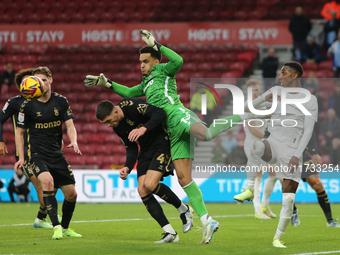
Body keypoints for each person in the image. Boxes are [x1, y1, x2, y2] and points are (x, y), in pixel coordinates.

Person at [84, 30, 263, 244]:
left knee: (206, 134)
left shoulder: (163, 70)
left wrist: (157, 44)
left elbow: (178, 60)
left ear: (156, 60)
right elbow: (129, 93)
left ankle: (244, 113)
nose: (141, 65)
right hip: (170, 132)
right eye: (140, 61)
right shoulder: (146, 83)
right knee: (183, 179)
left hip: (177, 115)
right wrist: (108, 84)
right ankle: (207, 221)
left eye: (146, 61)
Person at [234, 62, 318, 248]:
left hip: (293, 150)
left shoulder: (310, 100)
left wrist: (297, 155)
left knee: (288, 199)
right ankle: (249, 189)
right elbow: (251, 107)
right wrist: (262, 99)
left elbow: (308, 131)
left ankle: (278, 237)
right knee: (257, 146)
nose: (280, 76)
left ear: (294, 76)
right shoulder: (276, 91)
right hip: (273, 142)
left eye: (284, 73)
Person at [96, 98, 194, 243]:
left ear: (116, 111)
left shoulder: (132, 106)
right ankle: (170, 233)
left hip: (162, 144)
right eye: (106, 123)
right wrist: (127, 167)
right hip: (146, 150)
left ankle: (183, 209)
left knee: (150, 184)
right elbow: (131, 147)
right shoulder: (118, 126)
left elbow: (160, 113)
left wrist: (144, 128)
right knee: (142, 190)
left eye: (109, 121)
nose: (109, 125)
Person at [14, 66, 82, 240]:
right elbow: (19, 133)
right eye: (37, 80)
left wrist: (73, 140)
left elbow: (69, 125)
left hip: (56, 154)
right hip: (35, 154)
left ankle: (65, 227)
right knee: (47, 181)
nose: (41, 84)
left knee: (72, 194)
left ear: (51, 80)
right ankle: (56, 227)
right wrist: (21, 158)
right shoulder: (26, 104)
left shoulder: (61, 101)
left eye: (43, 80)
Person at [0, 68, 57, 228]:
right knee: (40, 184)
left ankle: (41, 218)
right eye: (27, 81)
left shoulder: (45, 101)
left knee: (52, 184)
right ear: (20, 86)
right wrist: (1, 141)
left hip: (45, 149)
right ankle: (52, 219)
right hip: (25, 153)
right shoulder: (14, 103)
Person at [262, 129, 340, 228]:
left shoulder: (301, 116)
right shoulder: (276, 118)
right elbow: (267, 136)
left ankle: (330, 220)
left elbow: (310, 131)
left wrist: (314, 152)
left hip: (303, 155)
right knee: (286, 184)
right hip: (284, 157)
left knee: (317, 184)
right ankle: (293, 210)